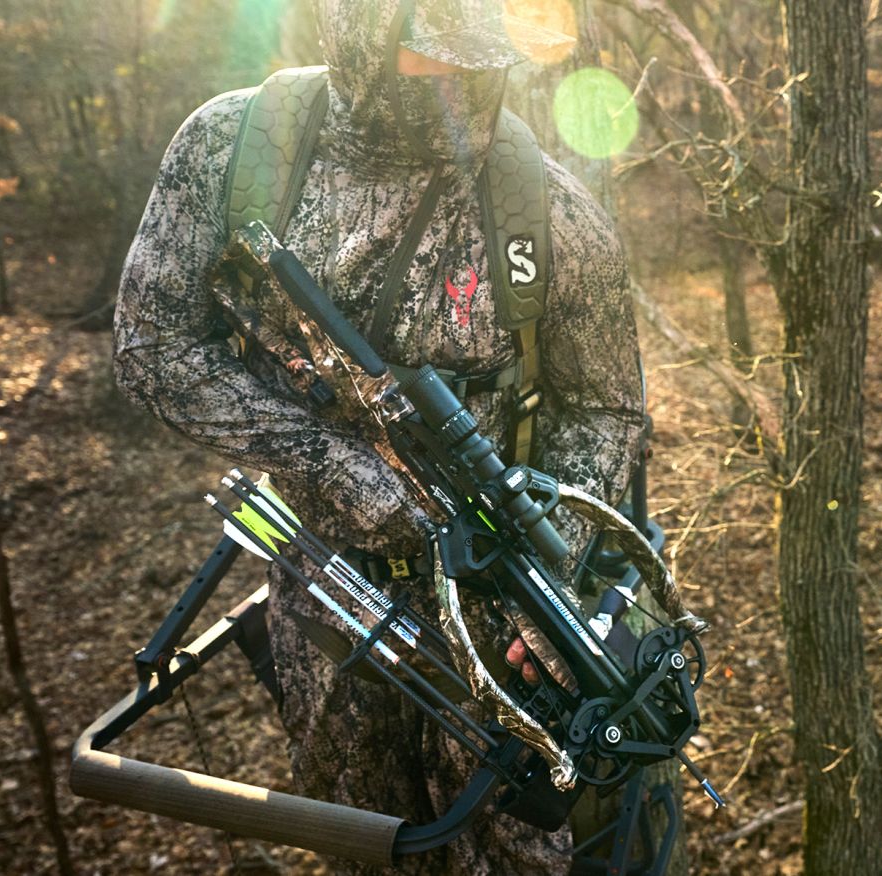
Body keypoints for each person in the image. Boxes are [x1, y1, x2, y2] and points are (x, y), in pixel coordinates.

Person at [113, 0, 651, 871]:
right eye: (434, 56)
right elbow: (154, 342)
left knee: (511, 846)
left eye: (482, 61)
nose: (460, 83)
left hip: (495, 617)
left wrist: (551, 583)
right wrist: (329, 460)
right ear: (360, 31)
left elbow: (606, 407)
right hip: (323, 585)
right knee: (363, 841)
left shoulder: (551, 212)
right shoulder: (231, 154)